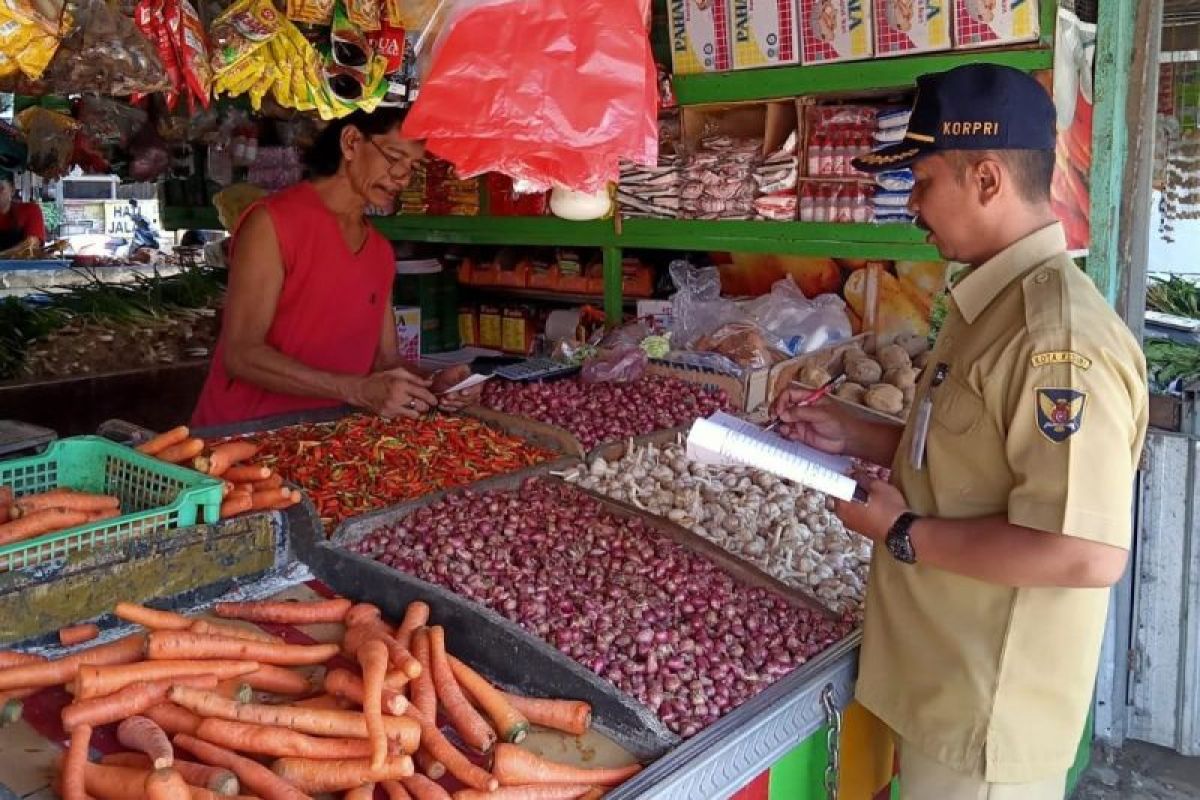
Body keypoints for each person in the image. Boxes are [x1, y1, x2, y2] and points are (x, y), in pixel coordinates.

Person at [772, 64, 1148, 799]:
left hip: (984, 719)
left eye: (922, 183)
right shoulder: (988, 301)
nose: (911, 206)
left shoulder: (1057, 341)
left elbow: (1086, 553)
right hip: (941, 679)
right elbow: (971, 456)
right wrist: (856, 433)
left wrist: (902, 530)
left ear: (985, 178)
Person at [192, 108, 479, 427]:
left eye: (412, 167)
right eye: (394, 156)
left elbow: (387, 361)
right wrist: (354, 390)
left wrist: (435, 384)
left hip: (323, 443)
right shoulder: (272, 223)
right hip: (241, 435)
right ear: (352, 142)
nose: (402, 177)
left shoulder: (379, 252)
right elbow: (241, 354)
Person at [0, 170, 45, 256]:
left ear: (12, 189)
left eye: (0, 188)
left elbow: (32, 244)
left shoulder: (30, 210)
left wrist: (2, 255)